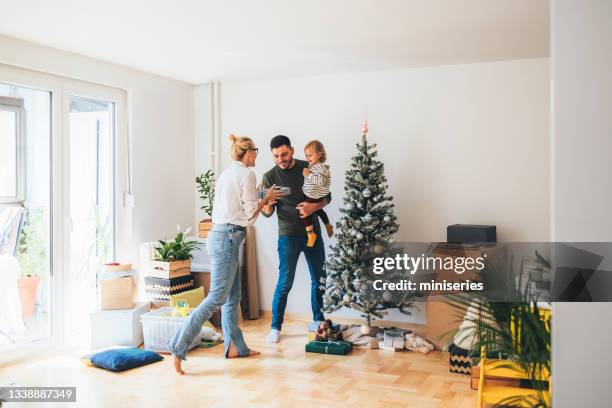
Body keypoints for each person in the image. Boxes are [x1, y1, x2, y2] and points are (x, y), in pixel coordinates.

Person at [169, 134, 283, 375]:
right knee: (217, 298)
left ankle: (235, 347)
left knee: (234, 296)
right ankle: (178, 347)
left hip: (221, 236)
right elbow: (251, 215)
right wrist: (268, 198)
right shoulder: (247, 174)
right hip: (229, 238)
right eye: (256, 151)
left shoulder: (228, 173)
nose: (256, 156)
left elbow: (237, 207)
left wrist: (262, 196)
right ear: (249, 153)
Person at [261, 135, 331, 343]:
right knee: (285, 282)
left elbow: (327, 196)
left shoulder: (308, 166)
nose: (281, 159)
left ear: (291, 150)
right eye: (276, 156)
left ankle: (318, 321)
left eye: (284, 154)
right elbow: (266, 212)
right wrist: (268, 202)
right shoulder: (269, 177)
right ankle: (275, 327)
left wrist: (313, 207)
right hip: (288, 236)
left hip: (312, 234)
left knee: (319, 279)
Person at [301, 140, 333, 247]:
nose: (308, 158)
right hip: (312, 194)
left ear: (319, 154)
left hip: (314, 195)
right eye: (306, 155)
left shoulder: (321, 168)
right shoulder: (313, 166)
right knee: (319, 210)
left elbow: (321, 182)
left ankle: (311, 234)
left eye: (310, 155)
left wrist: (308, 174)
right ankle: (328, 225)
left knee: (304, 211)